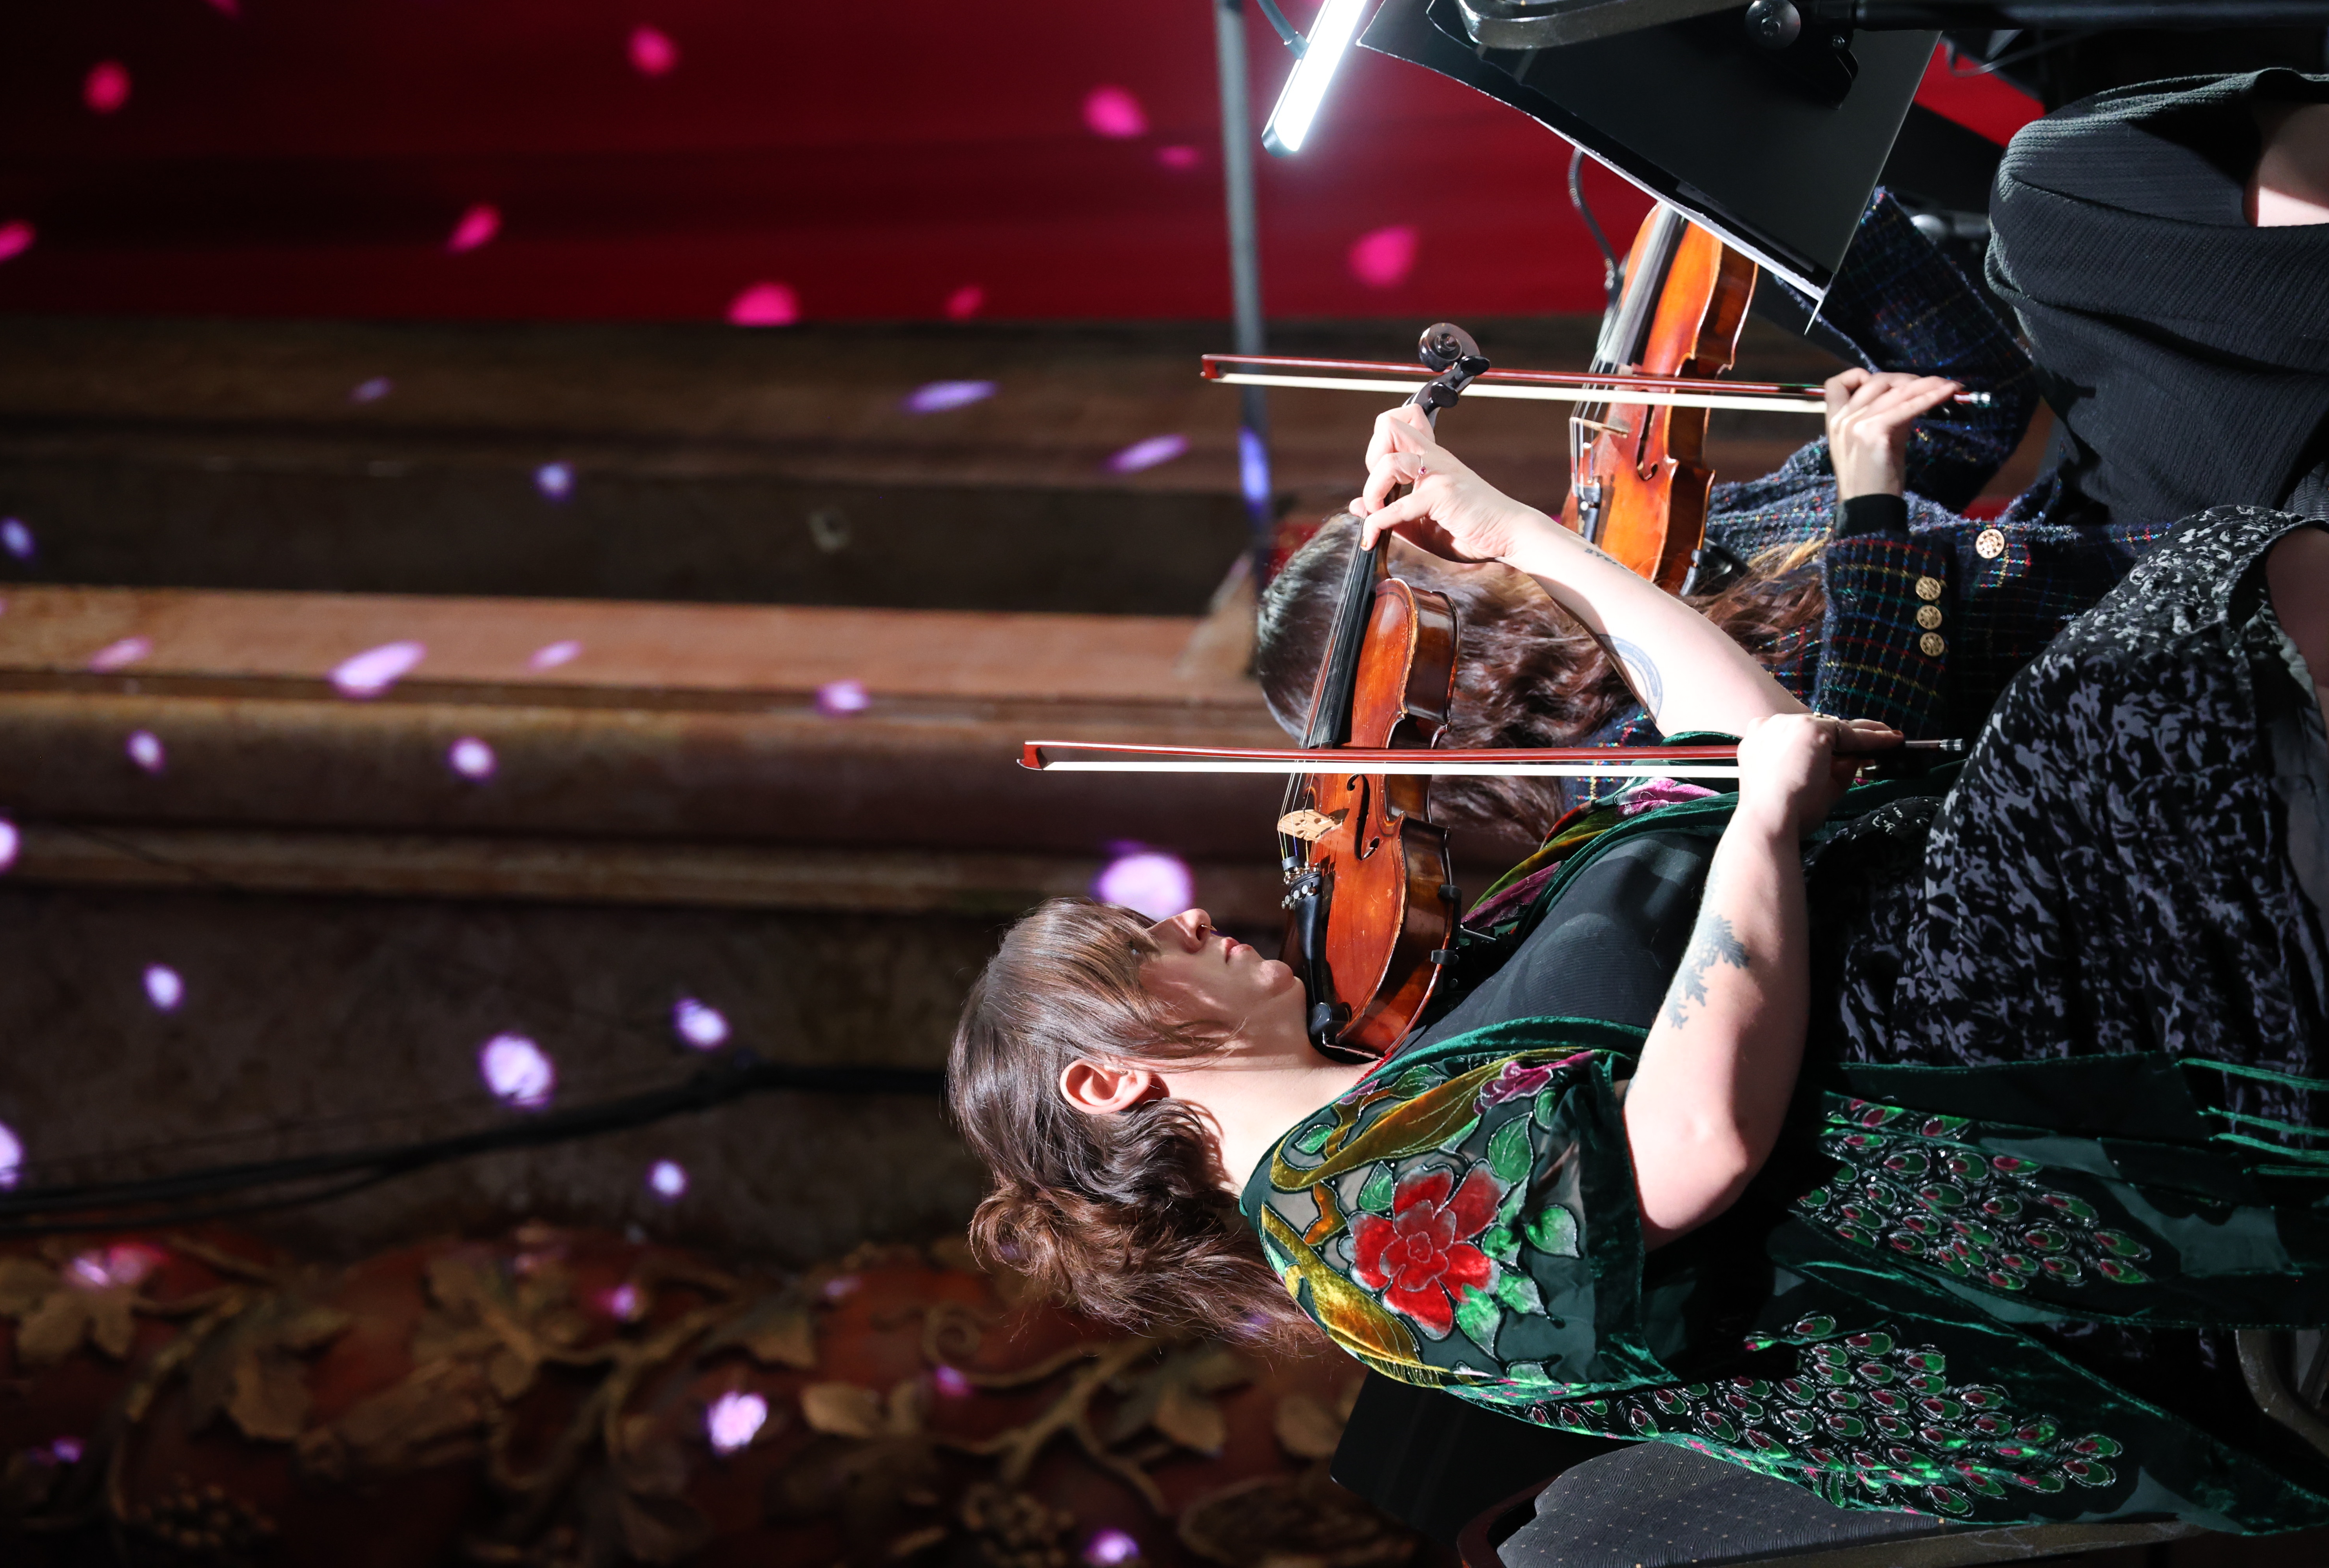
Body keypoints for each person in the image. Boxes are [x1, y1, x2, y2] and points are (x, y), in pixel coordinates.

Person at [954, 403, 2329, 1527]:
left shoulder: (1437, 1020)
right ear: (1105, 1081)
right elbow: (1691, 1143)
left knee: (2187, 620)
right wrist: (1769, 834)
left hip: (1965, 959)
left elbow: (1734, 740)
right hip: (1995, 1086)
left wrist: (1511, 531)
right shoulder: (1348, 1241)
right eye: (1144, 951)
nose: (1190, 920)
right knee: (2155, 661)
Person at [1262, 69, 2329, 845]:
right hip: (2154, 659)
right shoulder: (1629, 778)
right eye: (1437, 552)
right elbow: (1876, 783)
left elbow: (1979, 408)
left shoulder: (1672, 549)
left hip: (2118, 525)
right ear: (1440, 647)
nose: (1471, 531)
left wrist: (1773, 207)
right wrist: (1869, 510)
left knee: (2058, 193)